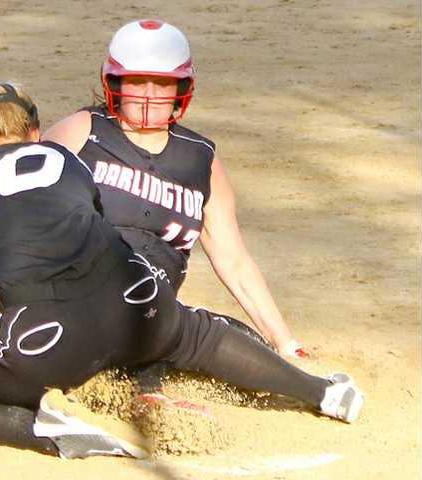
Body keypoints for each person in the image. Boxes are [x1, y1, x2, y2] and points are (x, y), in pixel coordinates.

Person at [0, 78, 363, 460]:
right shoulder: (64, 157)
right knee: (195, 333)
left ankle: (52, 431)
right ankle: (324, 393)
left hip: (45, 333)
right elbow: (97, 230)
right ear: (34, 131)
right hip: (137, 298)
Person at [39, 19, 305, 358]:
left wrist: (285, 342)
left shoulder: (201, 158)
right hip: (72, 302)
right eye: (137, 81)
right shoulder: (81, 131)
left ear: (181, 88)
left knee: (246, 344)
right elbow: (12, 210)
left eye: (163, 83)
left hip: (152, 318)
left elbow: (234, 260)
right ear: (114, 81)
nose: (149, 95)